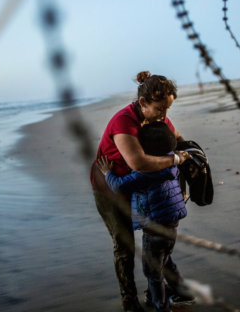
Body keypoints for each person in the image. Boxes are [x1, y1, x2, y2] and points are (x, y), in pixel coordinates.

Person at [90, 71, 191, 312]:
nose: (165, 116)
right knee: (124, 246)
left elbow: (179, 142)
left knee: (155, 243)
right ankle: (130, 300)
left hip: (142, 190)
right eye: (159, 109)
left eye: (167, 109)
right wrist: (176, 159)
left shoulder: (160, 120)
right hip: (111, 187)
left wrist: (189, 166)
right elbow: (139, 163)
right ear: (143, 103)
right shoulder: (123, 121)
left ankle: (168, 291)